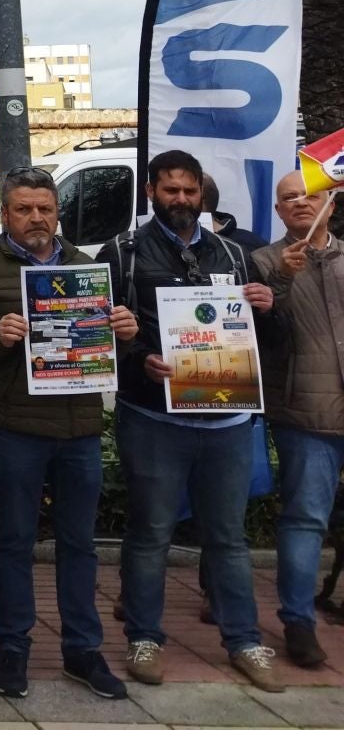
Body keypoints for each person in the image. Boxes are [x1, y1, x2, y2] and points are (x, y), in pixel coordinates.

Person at [0, 167, 137, 701]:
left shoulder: (85, 267)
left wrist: (124, 335)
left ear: (57, 213)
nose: (36, 219)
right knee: (16, 543)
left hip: (81, 430)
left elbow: (105, 354)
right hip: (17, 428)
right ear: (5, 214)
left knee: (79, 545)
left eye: (45, 209)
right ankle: (14, 649)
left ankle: (82, 650)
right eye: (24, 209)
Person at [100, 148, 282, 693]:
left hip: (226, 420)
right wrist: (138, 358)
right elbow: (99, 332)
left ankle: (246, 641)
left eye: (190, 191)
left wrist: (269, 307)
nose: (182, 199)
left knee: (227, 538)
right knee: (151, 532)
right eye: (171, 190)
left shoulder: (233, 252)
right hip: (153, 417)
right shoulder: (123, 252)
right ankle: (144, 636)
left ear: (202, 194)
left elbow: (259, 339)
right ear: (151, 191)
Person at [255, 171, 344, 669]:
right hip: (306, 413)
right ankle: (298, 621)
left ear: (328, 201)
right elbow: (263, 329)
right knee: (306, 519)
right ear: (279, 210)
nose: (300, 204)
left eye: (308, 195)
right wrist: (283, 278)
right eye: (289, 199)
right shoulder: (265, 262)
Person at [203, 173, 268, 253]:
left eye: (189, 192)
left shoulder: (251, 244)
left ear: (204, 201)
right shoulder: (183, 244)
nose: (182, 199)